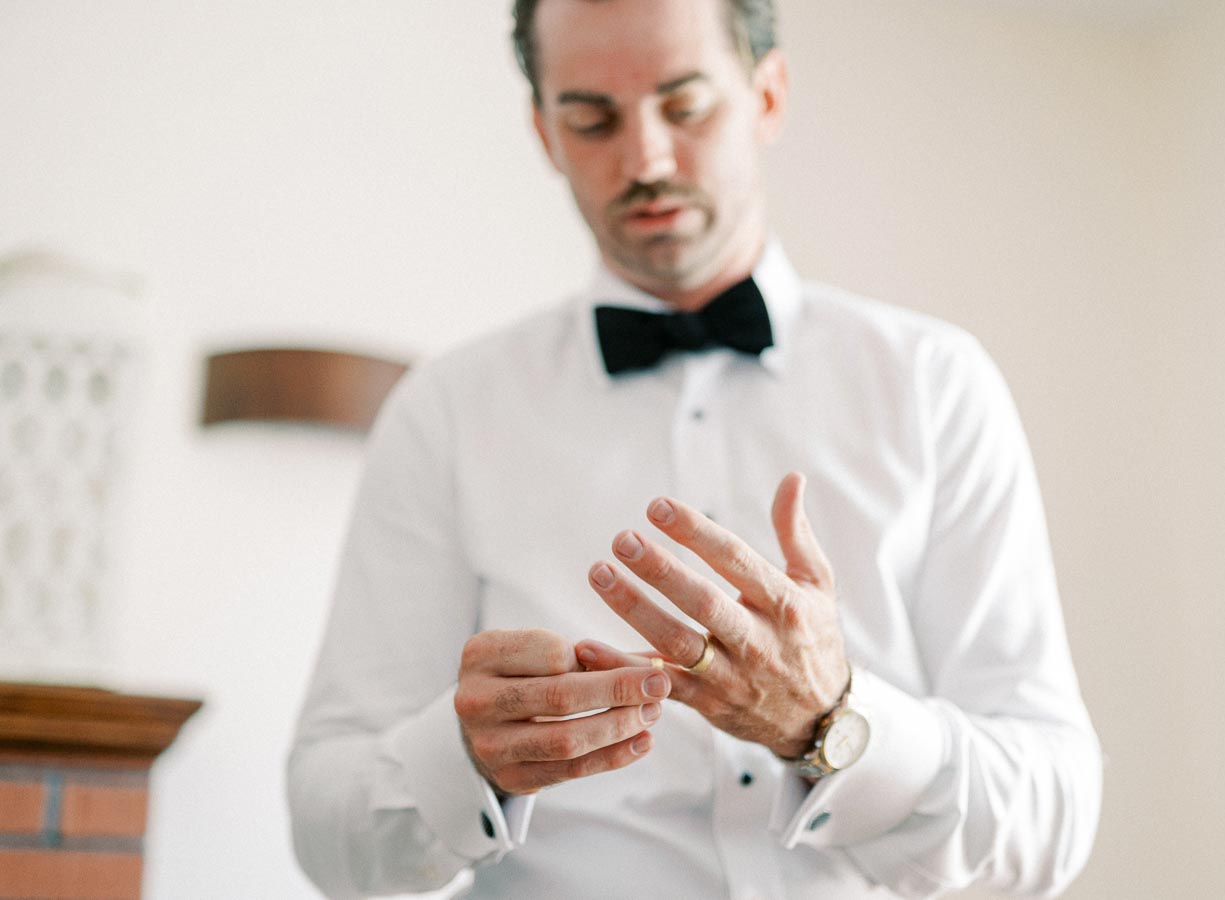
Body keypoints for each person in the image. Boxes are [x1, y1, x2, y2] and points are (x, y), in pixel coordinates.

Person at [287, 0, 1103, 896]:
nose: (646, 161)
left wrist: (834, 721)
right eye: (593, 118)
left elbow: (1049, 826)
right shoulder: (443, 412)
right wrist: (460, 758)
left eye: (686, 106)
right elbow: (331, 840)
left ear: (768, 93)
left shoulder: (937, 384)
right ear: (543, 132)